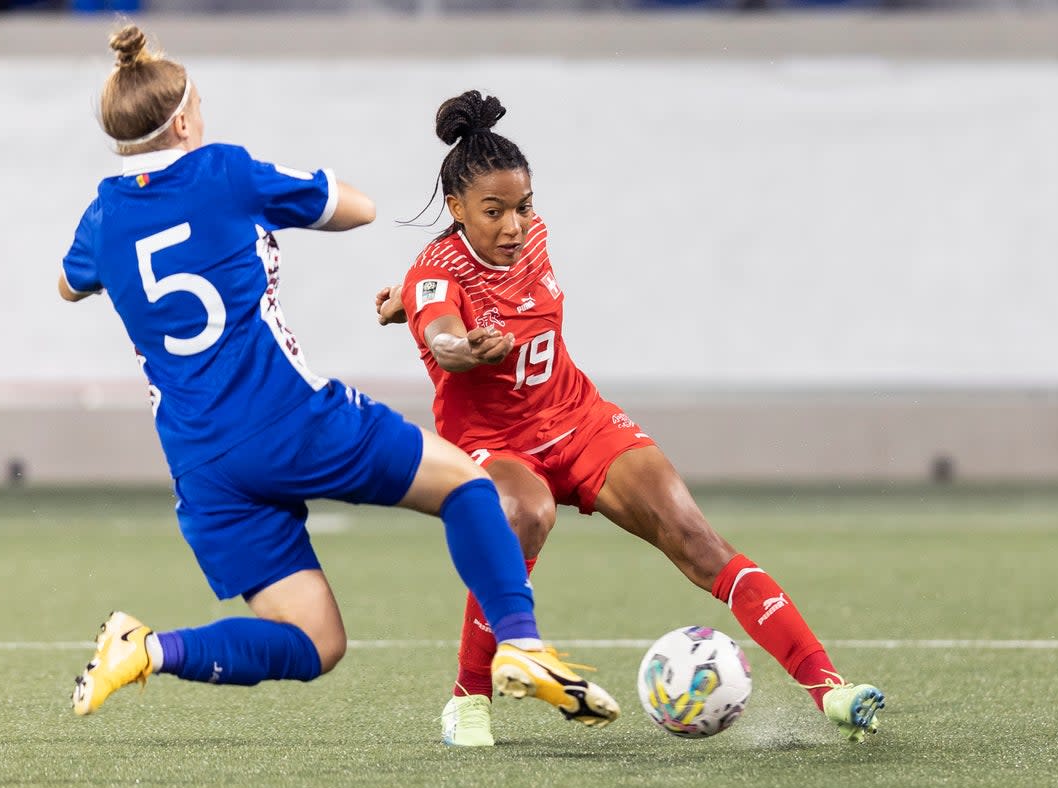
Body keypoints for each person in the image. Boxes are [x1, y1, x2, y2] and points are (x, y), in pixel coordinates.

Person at [58, 26, 620, 732]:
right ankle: (520, 642)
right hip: (288, 419)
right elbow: (358, 208)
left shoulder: (102, 217)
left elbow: (68, 285)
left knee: (316, 641)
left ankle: (148, 650)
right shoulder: (225, 172)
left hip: (202, 465)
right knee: (468, 485)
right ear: (183, 120)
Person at [375, 90, 885, 747]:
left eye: (523, 207)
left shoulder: (529, 239)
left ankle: (831, 690)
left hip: (578, 418)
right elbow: (441, 326)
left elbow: (439, 286)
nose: (513, 226)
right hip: (494, 443)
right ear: (456, 210)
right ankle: (468, 700)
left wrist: (398, 305)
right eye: (494, 212)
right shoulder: (434, 276)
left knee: (697, 539)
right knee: (522, 517)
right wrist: (460, 347)